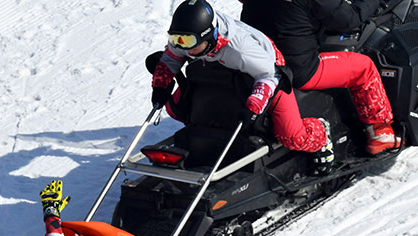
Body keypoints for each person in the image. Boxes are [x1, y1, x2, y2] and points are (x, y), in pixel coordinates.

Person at [151, 0, 335, 173]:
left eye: (188, 42)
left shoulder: (241, 49)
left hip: (269, 71)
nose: (183, 47)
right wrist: (161, 84)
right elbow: (172, 57)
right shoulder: (186, 38)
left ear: (209, 35)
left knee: (292, 135)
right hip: (222, 71)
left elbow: (269, 75)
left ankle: (321, 135)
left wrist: (254, 106)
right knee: (176, 107)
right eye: (176, 39)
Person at [240, 0, 401, 155]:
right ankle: (380, 131)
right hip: (300, 69)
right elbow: (349, 19)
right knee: (363, 67)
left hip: (257, 63)